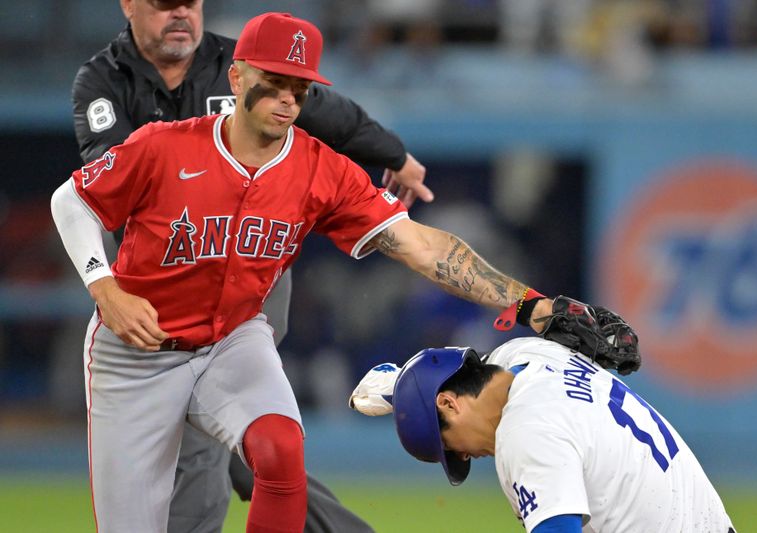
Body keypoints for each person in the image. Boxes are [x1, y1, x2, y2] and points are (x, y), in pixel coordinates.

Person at [50, 11, 596, 532]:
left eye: (301, 88)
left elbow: (422, 246)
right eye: (275, 82)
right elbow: (70, 201)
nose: (288, 99)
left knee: (281, 449)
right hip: (138, 355)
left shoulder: (320, 170)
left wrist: (532, 305)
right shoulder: (163, 146)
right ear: (237, 78)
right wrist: (104, 286)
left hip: (231, 338)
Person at [71, 1, 431, 532]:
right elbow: (109, 178)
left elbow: (327, 110)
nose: (180, 15)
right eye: (164, 4)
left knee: (243, 447)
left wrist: (394, 154)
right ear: (129, 5)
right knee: (246, 453)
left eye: (189, 3)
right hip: (166, 277)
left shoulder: (237, 60)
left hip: (249, 286)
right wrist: (107, 282)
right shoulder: (103, 80)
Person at [351, 337, 736, 532]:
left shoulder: (524, 435)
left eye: (450, 447)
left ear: (450, 404)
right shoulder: (530, 354)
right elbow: (472, 370)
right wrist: (401, 386)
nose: (464, 456)